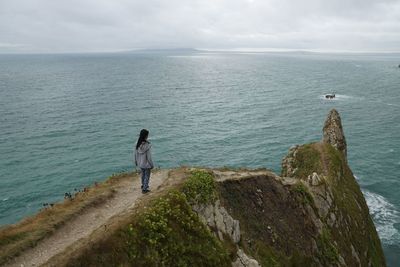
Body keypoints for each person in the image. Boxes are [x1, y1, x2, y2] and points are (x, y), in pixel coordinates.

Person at [134, 129, 154, 193]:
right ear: (146, 136)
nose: (148, 136)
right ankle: (145, 189)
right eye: (147, 135)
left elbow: (135, 154)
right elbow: (149, 157)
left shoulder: (137, 143)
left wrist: (136, 161)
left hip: (140, 163)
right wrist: (151, 164)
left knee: (143, 174)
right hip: (147, 164)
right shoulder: (147, 145)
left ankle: (143, 185)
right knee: (147, 176)